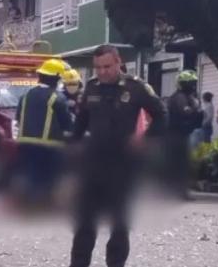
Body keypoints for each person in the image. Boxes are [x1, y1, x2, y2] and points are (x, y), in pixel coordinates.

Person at [70, 45, 166, 267]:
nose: (102, 72)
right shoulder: (91, 88)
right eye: (98, 67)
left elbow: (162, 116)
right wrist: (73, 146)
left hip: (123, 167)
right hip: (94, 165)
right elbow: (81, 121)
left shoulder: (136, 87)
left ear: (118, 62)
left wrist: (144, 139)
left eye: (107, 66)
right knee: (85, 224)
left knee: (119, 224)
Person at [15, 59, 73, 208]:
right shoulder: (57, 97)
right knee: (49, 175)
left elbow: (18, 117)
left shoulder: (26, 95)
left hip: (25, 143)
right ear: (55, 78)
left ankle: (28, 203)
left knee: (31, 173)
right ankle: (43, 205)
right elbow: (67, 122)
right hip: (48, 144)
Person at [165, 70, 204, 200]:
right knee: (179, 164)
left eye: (194, 83)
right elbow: (186, 113)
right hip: (176, 135)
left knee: (182, 164)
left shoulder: (188, 97)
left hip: (183, 134)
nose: (193, 86)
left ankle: (179, 192)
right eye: (190, 83)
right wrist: (196, 109)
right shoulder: (180, 97)